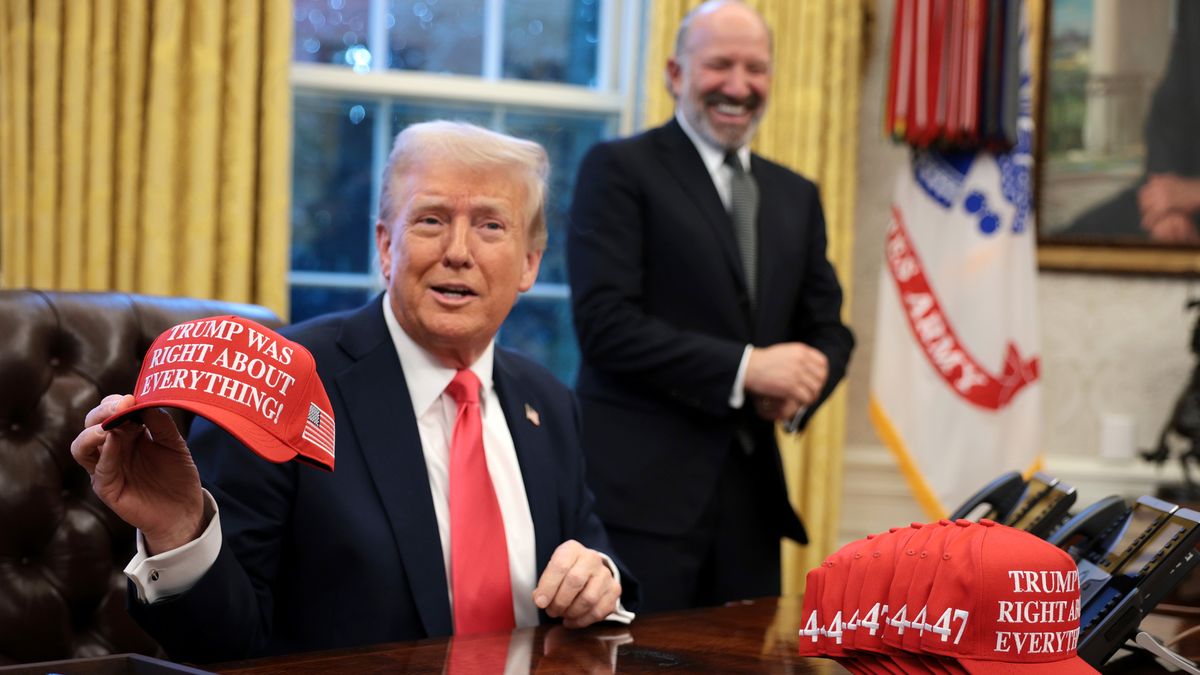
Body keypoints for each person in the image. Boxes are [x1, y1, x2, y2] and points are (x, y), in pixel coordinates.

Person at [71, 121, 638, 663]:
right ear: (386, 247)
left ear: (530, 263)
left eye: (491, 225)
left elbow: (596, 562)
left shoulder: (549, 401)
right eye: (431, 220)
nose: (459, 251)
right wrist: (178, 532)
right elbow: (225, 645)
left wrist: (599, 582)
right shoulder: (283, 383)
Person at [567, 0, 854, 613]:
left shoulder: (796, 194)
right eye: (720, 64)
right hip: (639, 505)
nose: (739, 85)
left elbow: (830, 329)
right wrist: (748, 369)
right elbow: (605, 327)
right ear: (675, 73)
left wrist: (803, 384)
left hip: (753, 511)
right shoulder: (618, 170)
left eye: (756, 68)